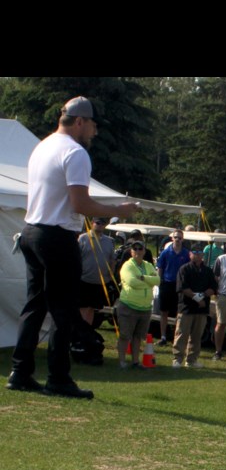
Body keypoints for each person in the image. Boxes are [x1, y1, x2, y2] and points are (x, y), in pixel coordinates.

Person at [8, 96, 137, 398]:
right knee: (64, 309)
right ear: (80, 121)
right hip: (57, 236)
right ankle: (58, 378)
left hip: (31, 231)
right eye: (92, 125)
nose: (94, 131)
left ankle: (20, 371)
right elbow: (79, 204)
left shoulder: (43, 146)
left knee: (35, 306)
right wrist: (121, 210)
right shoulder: (75, 153)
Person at [116, 240, 159, 369]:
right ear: (131, 252)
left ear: (144, 251)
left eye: (140, 249)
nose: (138, 251)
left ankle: (135, 362)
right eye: (135, 249)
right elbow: (131, 282)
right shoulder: (127, 266)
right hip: (128, 305)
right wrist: (148, 281)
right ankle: (122, 361)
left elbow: (157, 280)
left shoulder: (148, 265)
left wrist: (143, 278)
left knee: (138, 337)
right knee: (125, 335)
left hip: (145, 307)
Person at [172, 248, 217, 368]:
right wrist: (196, 297)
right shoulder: (184, 269)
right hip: (186, 307)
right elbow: (182, 287)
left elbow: (213, 287)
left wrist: (202, 295)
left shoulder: (207, 271)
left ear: (203, 255)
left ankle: (191, 360)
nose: (197, 255)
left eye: (199, 253)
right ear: (190, 254)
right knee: (182, 334)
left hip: (202, 309)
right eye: (195, 253)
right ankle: (177, 359)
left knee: (197, 336)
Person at [77, 217, 116, 325]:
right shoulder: (83, 238)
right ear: (92, 223)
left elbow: (112, 259)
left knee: (92, 308)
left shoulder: (109, 241)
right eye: (98, 223)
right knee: (82, 308)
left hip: (100, 281)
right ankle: (79, 333)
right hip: (84, 280)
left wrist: (110, 275)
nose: (100, 225)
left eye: (103, 223)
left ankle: (87, 332)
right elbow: (76, 258)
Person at [155, 229, 190, 345]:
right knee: (164, 311)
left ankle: (177, 337)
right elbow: (160, 268)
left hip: (179, 286)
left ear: (183, 239)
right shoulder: (166, 252)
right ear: (172, 238)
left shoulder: (186, 254)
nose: (178, 240)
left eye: (180, 238)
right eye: (176, 237)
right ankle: (163, 336)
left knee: (178, 313)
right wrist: (159, 282)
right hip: (166, 284)